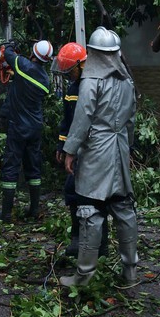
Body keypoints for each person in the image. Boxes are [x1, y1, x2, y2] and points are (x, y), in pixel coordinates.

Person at [59, 27, 138, 288]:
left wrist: (70, 150)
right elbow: (131, 121)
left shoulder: (91, 81)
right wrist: (128, 148)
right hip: (119, 148)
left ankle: (84, 275)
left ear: (93, 54)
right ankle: (130, 272)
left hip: (97, 152)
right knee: (124, 208)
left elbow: (82, 120)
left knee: (90, 210)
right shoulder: (127, 81)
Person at [54, 41, 109, 258]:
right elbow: (68, 121)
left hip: (94, 151)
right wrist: (62, 145)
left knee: (97, 198)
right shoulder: (72, 90)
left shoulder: (96, 86)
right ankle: (78, 238)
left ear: (81, 65)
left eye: (70, 72)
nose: (69, 76)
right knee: (72, 192)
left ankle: (101, 247)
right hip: (77, 152)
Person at [0, 38, 53, 222]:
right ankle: (35, 209)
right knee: (33, 165)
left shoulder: (23, 65)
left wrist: (11, 44)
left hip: (18, 126)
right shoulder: (45, 79)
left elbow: (7, 54)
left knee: (11, 165)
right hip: (35, 127)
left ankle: (6, 212)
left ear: (33, 54)